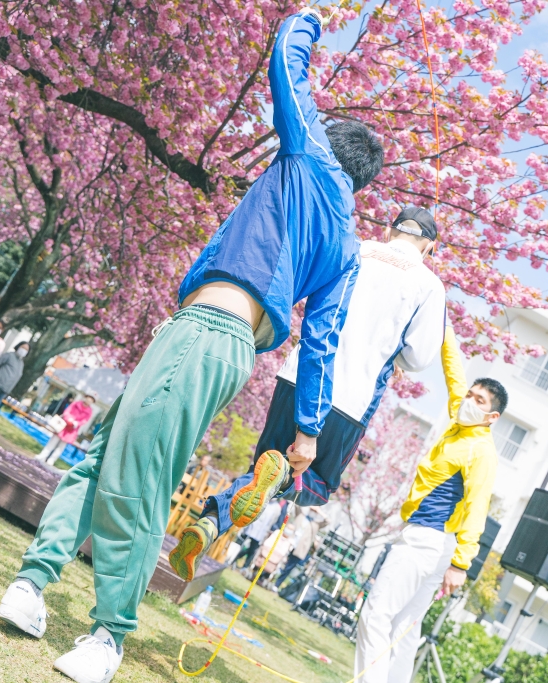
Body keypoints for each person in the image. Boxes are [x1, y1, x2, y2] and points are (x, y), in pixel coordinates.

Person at [0, 8, 384, 682]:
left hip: (206, 333)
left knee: (139, 478)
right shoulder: (348, 249)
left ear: (329, 139)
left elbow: (287, 63)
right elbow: (321, 342)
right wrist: (309, 433)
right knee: (103, 458)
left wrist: (312, 19)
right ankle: (30, 584)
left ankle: (108, 637)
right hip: (219, 344)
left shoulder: (307, 153)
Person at [171, 205, 445, 581]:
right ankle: (275, 477)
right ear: (428, 247)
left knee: (259, 473)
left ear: (389, 230)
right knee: (316, 485)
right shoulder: (429, 285)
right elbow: (420, 355)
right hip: (350, 399)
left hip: (297, 378)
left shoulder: (354, 250)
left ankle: (209, 524)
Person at [353, 324, 507, 683]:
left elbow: (477, 507)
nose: (469, 400)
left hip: (429, 540)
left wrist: (461, 563)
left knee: (376, 615)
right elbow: (453, 369)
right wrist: (443, 323)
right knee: (405, 628)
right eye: (470, 395)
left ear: (492, 417)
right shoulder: (459, 418)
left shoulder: (481, 450)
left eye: (479, 401)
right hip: (432, 543)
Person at [273, 506, 326, 591]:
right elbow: (297, 505)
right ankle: (265, 577)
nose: (312, 511)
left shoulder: (315, 524)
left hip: (300, 549)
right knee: (277, 559)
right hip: (289, 544)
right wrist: (310, 505)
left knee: (288, 567)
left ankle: (276, 585)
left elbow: (328, 521)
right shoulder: (301, 516)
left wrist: (319, 511)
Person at [38, 394, 96, 465]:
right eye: (89, 398)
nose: (89, 400)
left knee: (61, 446)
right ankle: (43, 455)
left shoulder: (89, 411)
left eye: (91, 400)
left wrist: (76, 423)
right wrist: (69, 419)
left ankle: (51, 460)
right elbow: (67, 411)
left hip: (72, 431)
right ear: (86, 397)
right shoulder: (76, 403)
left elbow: (85, 420)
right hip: (63, 426)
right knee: (53, 442)